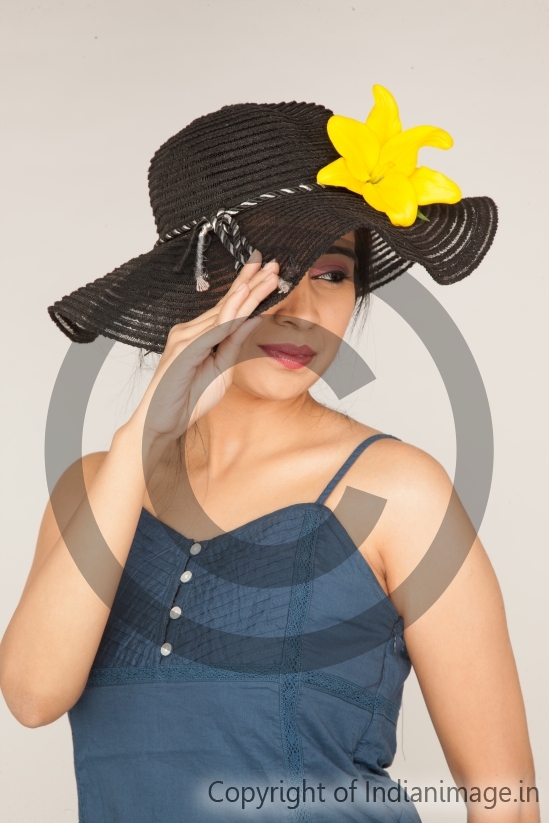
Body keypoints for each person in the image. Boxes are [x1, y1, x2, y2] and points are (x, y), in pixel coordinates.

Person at [0, 90, 539, 822]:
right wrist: (141, 438)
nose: (301, 311)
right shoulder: (95, 485)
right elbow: (32, 696)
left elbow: (503, 802)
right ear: (197, 281)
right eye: (271, 269)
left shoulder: (401, 494)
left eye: (331, 274)